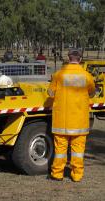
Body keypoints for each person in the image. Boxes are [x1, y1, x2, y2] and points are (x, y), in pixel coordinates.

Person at [47, 49, 95, 182]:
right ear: (80, 59)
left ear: (68, 58)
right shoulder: (87, 76)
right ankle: (77, 175)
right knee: (78, 151)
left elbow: (50, 93)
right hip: (79, 121)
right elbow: (92, 93)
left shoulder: (59, 74)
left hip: (61, 121)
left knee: (60, 150)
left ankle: (57, 174)